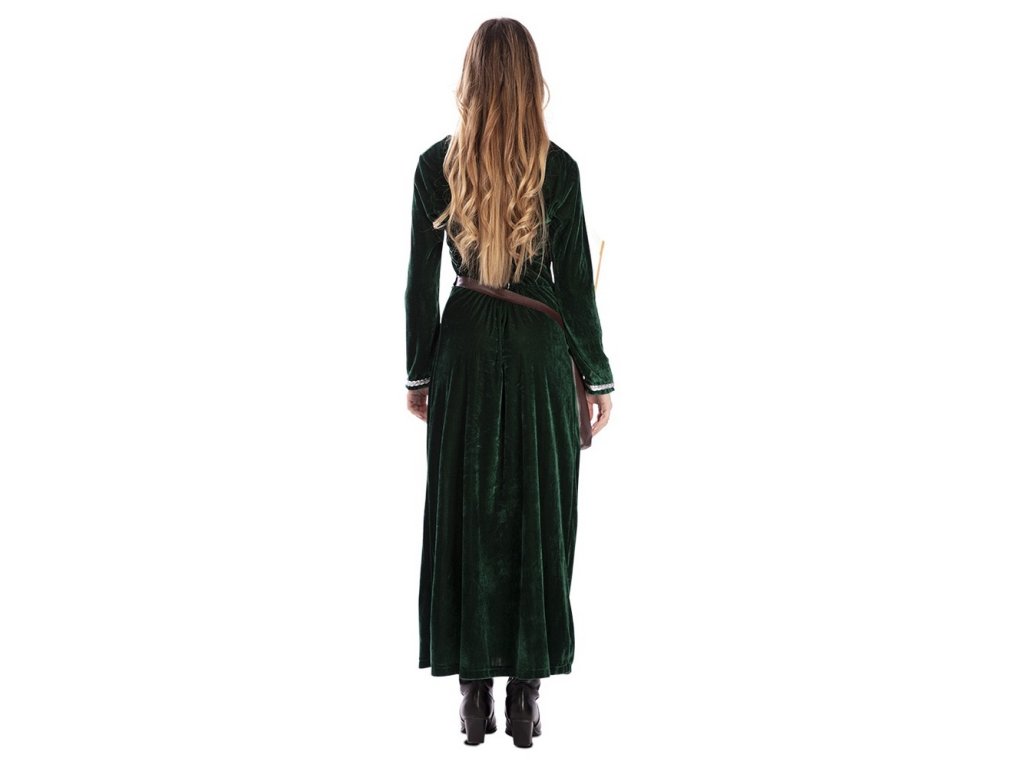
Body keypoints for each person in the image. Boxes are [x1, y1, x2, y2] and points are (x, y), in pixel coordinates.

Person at [404, 18, 615, 748]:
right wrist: (597, 377)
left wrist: (419, 372)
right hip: (537, 356)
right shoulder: (559, 171)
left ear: (470, 80)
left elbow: (418, 285)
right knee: (537, 512)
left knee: (466, 510)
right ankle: (525, 695)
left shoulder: (437, 166)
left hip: (462, 350)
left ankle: (473, 695)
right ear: (532, 82)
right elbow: (576, 288)